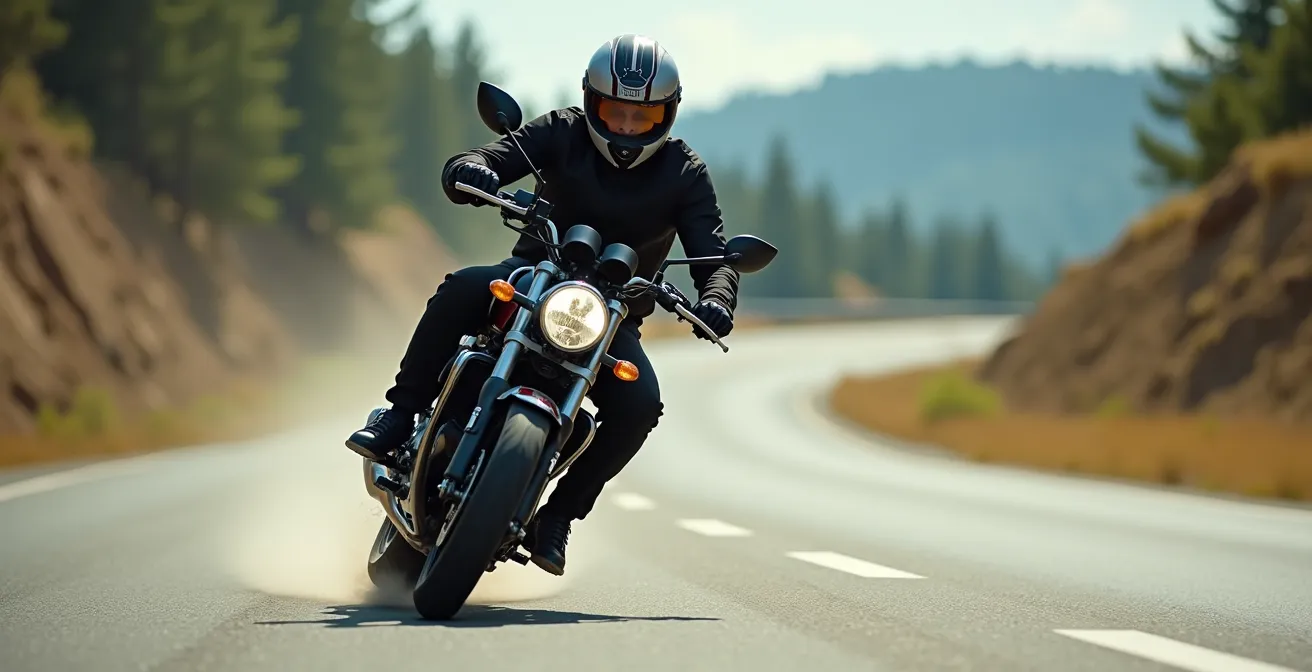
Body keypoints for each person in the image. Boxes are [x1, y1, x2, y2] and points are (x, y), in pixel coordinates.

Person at [345, 33, 739, 576]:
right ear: (591, 102)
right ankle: (401, 414)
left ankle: (557, 517)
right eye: (614, 112)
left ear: (665, 115)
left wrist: (716, 295)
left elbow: (713, 255)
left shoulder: (685, 174)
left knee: (641, 403)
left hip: (609, 316)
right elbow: (495, 155)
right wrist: (473, 168)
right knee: (462, 286)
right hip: (533, 276)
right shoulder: (561, 131)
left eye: (640, 117)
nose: (625, 127)